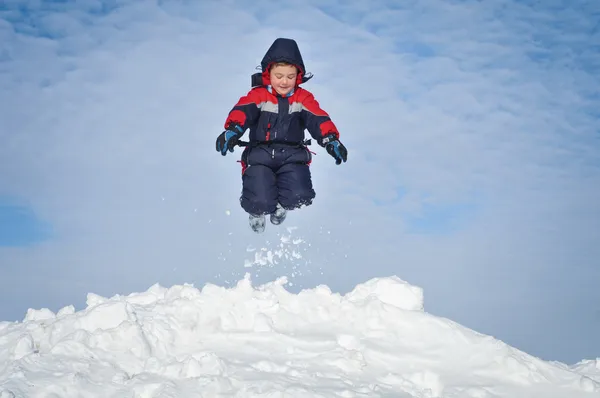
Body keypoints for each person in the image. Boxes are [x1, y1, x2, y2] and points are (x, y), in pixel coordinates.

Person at [216, 38, 347, 233]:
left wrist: (330, 140)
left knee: (301, 195)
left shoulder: (303, 99)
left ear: (298, 76)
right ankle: (257, 212)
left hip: (292, 156)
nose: (284, 81)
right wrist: (233, 130)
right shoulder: (258, 96)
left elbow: (319, 118)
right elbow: (242, 111)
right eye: (279, 76)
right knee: (260, 198)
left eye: (290, 76)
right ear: (268, 74)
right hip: (260, 154)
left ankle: (282, 206)